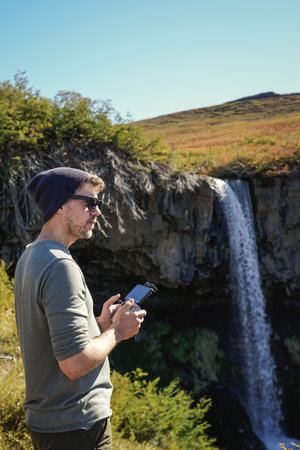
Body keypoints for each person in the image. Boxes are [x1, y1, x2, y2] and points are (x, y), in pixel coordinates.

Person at [14, 167, 147, 450]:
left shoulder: (31, 256)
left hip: (52, 425)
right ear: (60, 206)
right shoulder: (60, 266)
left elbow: (54, 340)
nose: (97, 211)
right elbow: (74, 364)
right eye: (89, 202)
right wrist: (118, 332)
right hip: (77, 427)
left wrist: (99, 325)